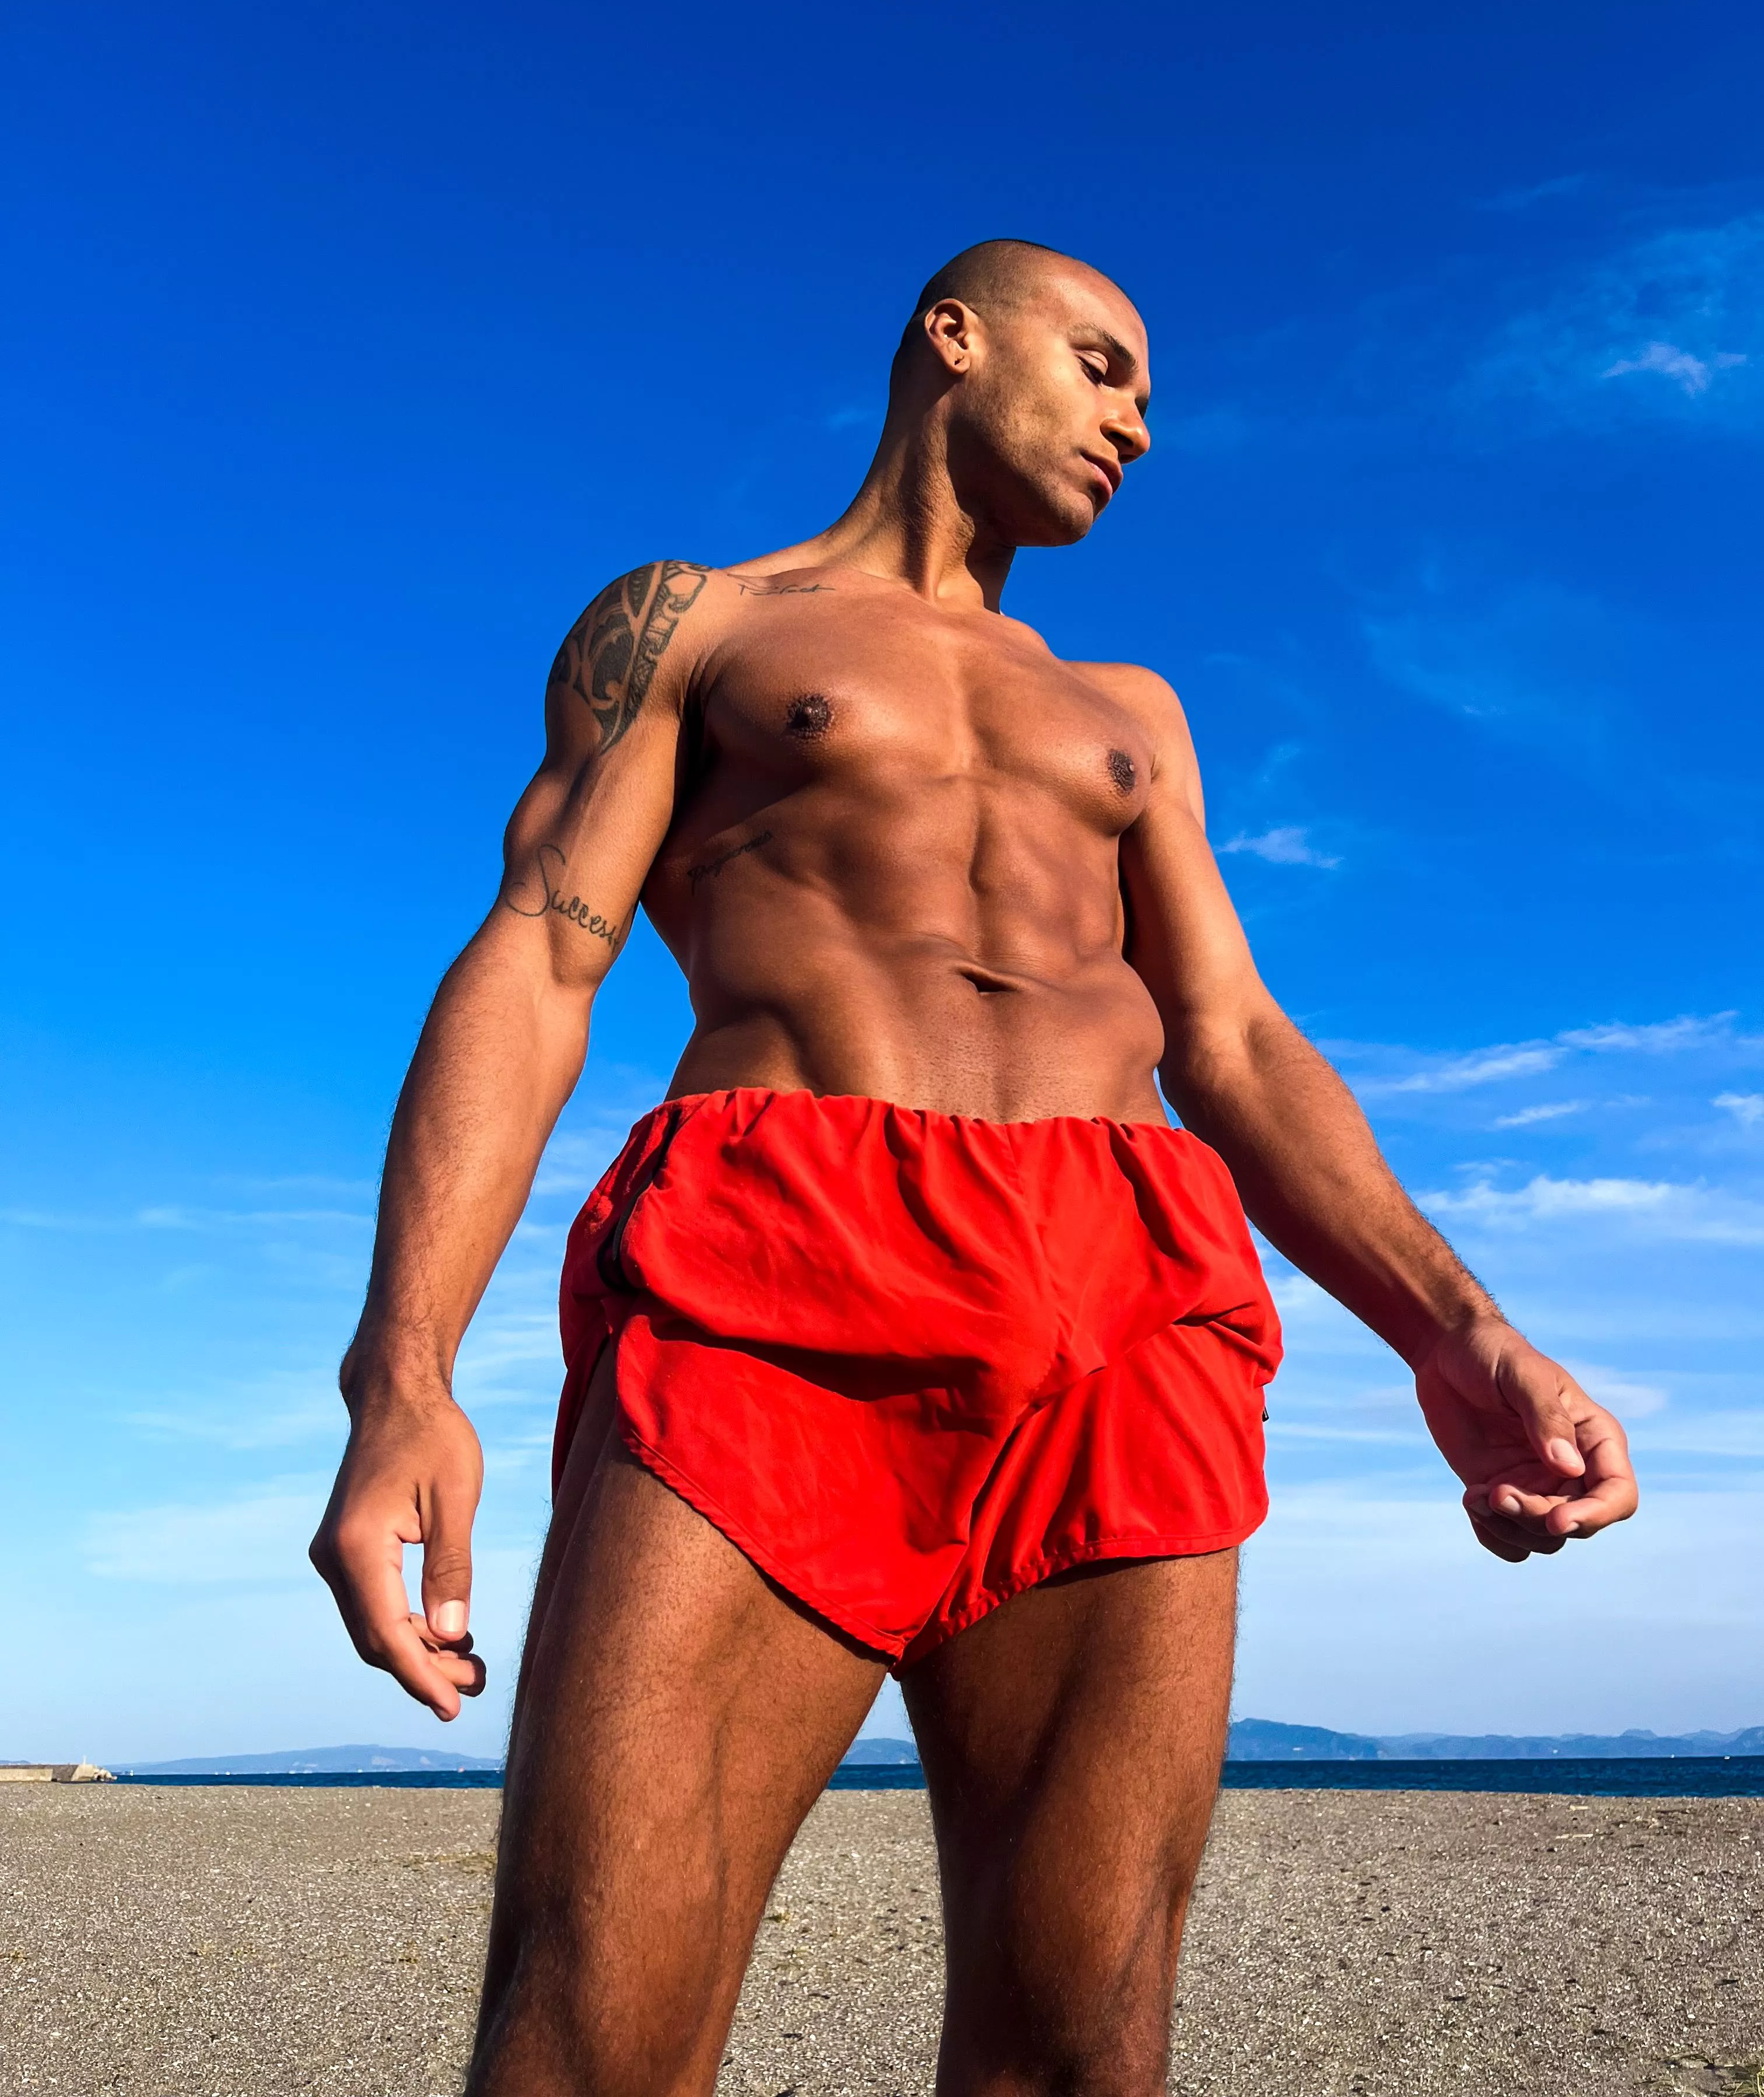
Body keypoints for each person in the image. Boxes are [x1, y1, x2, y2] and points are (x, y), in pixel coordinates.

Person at [310, 240, 1639, 2097]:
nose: (1139, 428)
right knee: (591, 2028)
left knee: (1086, 2048)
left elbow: (1237, 1047)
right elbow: (541, 954)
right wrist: (405, 1375)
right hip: (775, 1270)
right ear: (954, 341)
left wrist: (1459, 1336)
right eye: (1105, 370)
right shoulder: (699, 627)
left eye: (1149, 397)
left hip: (1128, 1293)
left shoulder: (1136, 717)